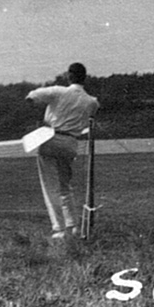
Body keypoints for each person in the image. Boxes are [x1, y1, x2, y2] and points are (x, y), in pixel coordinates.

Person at [26, 62, 101, 245]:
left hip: (51, 138)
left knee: (50, 186)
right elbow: (91, 114)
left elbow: (31, 97)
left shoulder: (58, 91)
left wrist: (42, 115)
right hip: (71, 143)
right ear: (84, 78)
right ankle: (73, 226)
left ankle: (59, 229)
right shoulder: (91, 101)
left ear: (69, 76)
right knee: (64, 186)